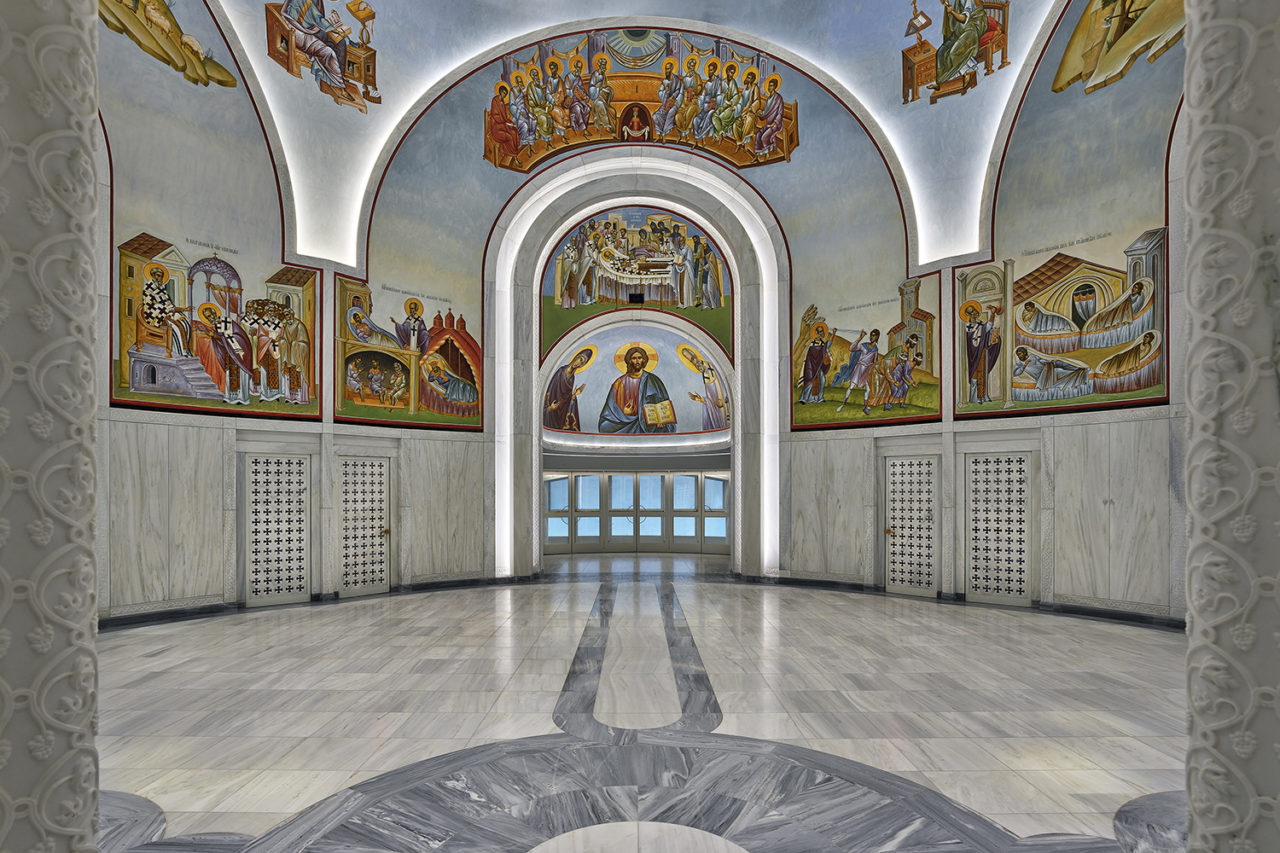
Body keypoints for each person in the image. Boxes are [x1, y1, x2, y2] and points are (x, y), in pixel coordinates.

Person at [599, 346, 676, 433]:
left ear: (644, 360)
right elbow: (609, 411)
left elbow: (663, 402)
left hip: (649, 423)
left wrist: (662, 420)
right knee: (605, 427)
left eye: (639, 358)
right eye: (634, 358)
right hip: (625, 423)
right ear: (629, 361)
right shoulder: (619, 383)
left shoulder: (653, 380)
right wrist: (623, 413)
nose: (637, 361)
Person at [282, 0, 351, 97]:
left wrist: (333, 31)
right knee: (328, 52)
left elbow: (315, 18)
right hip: (299, 34)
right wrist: (333, 29)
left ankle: (340, 74)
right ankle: (340, 87)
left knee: (340, 42)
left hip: (309, 29)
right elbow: (317, 18)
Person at [933, 0, 987, 86]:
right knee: (940, 53)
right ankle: (941, 82)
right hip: (960, 29)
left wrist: (952, 12)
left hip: (972, 28)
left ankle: (964, 74)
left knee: (953, 53)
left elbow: (964, 19)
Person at [140, 266, 192, 356]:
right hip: (155, 316)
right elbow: (150, 306)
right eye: (157, 275)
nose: (158, 277)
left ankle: (186, 350)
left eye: (160, 276)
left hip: (165, 313)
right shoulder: (148, 288)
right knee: (176, 328)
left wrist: (179, 310)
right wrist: (169, 310)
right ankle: (180, 352)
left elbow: (168, 303)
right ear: (152, 275)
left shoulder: (161, 288)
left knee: (185, 324)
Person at [963, 302, 1003, 404]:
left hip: (982, 352)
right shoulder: (968, 327)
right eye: (971, 312)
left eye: (975, 311)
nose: (974, 313)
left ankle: (984, 396)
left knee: (984, 374)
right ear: (968, 314)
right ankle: (974, 398)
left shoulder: (980, 324)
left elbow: (987, 329)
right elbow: (972, 339)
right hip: (974, 354)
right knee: (975, 375)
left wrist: (993, 315)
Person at [543, 348, 591, 431]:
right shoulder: (561, 372)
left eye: (582, 363)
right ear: (576, 357)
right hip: (553, 411)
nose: (579, 363)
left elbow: (566, 398)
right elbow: (549, 391)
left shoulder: (572, 378)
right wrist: (550, 408)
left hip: (562, 412)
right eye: (580, 359)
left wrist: (574, 395)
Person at [836, 329, 881, 414]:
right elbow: (851, 348)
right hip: (859, 368)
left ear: (877, 337)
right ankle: (843, 404)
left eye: (874, 335)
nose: (871, 337)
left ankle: (865, 407)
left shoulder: (875, 350)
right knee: (851, 387)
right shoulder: (864, 345)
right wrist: (860, 337)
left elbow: (875, 362)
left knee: (868, 389)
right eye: (871, 335)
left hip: (867, 371)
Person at [683, 347, 729, 430]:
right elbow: (711, 400)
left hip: (725, 408)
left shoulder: (711, 367)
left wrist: (722, 400)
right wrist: (701, 399)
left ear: (696, 356)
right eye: (690, 361)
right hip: (718, 409)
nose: (694, 362)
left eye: (693, 358)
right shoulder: (704, 374)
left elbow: (723, 386)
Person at [797, 323, 835, 404]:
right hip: (811, 367)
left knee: (822, 380)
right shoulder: (812, 344)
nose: (822, 333)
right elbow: (809, 357)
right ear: (817, 333)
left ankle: (819, 398)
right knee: (810, 382)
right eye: (820, 331)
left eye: (823, 331)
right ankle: (804, 399)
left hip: (818, 367)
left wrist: (834, 334)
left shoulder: (822, 344)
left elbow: (828, 344)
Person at [488, 83, 523, 161]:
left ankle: (512, 151)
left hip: (503, 125)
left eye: (505, 94)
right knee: (509, 136)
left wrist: (509, 122)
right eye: (504, 93)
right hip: (496, 127)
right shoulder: (495, 100)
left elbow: (504, 116)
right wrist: (505, 122)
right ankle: (514, 157)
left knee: (514, 132)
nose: (504, 95)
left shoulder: (502, 102)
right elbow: (495, 115)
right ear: (500, 92)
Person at [674, 55, 704, 139]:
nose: (692, 68)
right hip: (685, 101)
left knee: (688, 115)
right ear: (688, 66)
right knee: (678, 116)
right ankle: (682, 131)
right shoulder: (685, 78)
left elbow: (700, 87)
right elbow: (681, 90)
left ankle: (686, 132)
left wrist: (695, 91)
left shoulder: (697, 77)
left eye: (693, 66)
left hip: (694, 101)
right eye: (691, 66)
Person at [755, 74, 785, 156]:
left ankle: (767, 153)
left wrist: (774, 123)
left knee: (764, 137)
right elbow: (765, 112)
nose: (769, 87)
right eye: (769, 85)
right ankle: (758, 153)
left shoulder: (778, 98)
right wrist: (760, 113)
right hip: (768, 124)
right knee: (758, 135)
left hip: (776, 124)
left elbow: (780, 113)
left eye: (771, 86)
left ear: (775, 87)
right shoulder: (768, 99)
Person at [652, 58, 682, 137]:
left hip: (674, 103)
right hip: (665, 104)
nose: (666, 70)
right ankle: (659, 134)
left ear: (671, 69)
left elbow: (678, 90)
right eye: (666, 69)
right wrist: (665, 92)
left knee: (670, 114)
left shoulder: (676, 80)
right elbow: (660, 93)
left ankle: (665, 134)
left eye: (668, 68)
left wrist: (673, 97)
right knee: (656, 116)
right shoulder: (664, 81)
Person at [588, 55, 616, 137]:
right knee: (600, 105)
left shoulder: (603, 75)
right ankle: (607, 125)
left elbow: (604, 86)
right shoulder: (595, 75)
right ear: (599, 65)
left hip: (602, 97)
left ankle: (613, 130)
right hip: (595, 98)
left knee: (612, 111)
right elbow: (591, 88)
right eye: (603, 65)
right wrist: (598, 89)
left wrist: (608, 90)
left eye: (605, 65)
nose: (604, 66)